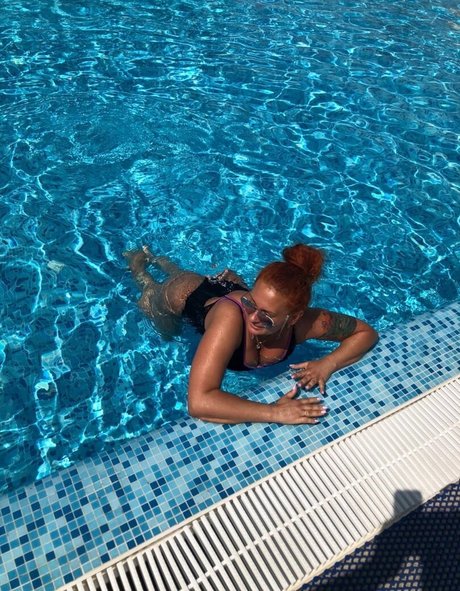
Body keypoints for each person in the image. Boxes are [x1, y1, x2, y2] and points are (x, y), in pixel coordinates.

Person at [124, 244, 378, 425]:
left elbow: (365, 333)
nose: (253, 317)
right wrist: (275, 413)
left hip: (230, 293)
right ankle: (142, 265)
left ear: (294, 317)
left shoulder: (308, 323)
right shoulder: (232, 319)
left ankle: (165, 263)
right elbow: (199, 402)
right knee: (165, 327)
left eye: (266, 314)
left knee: (188, 281)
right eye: (251, 303)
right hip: (183, 296)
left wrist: (328, 363)